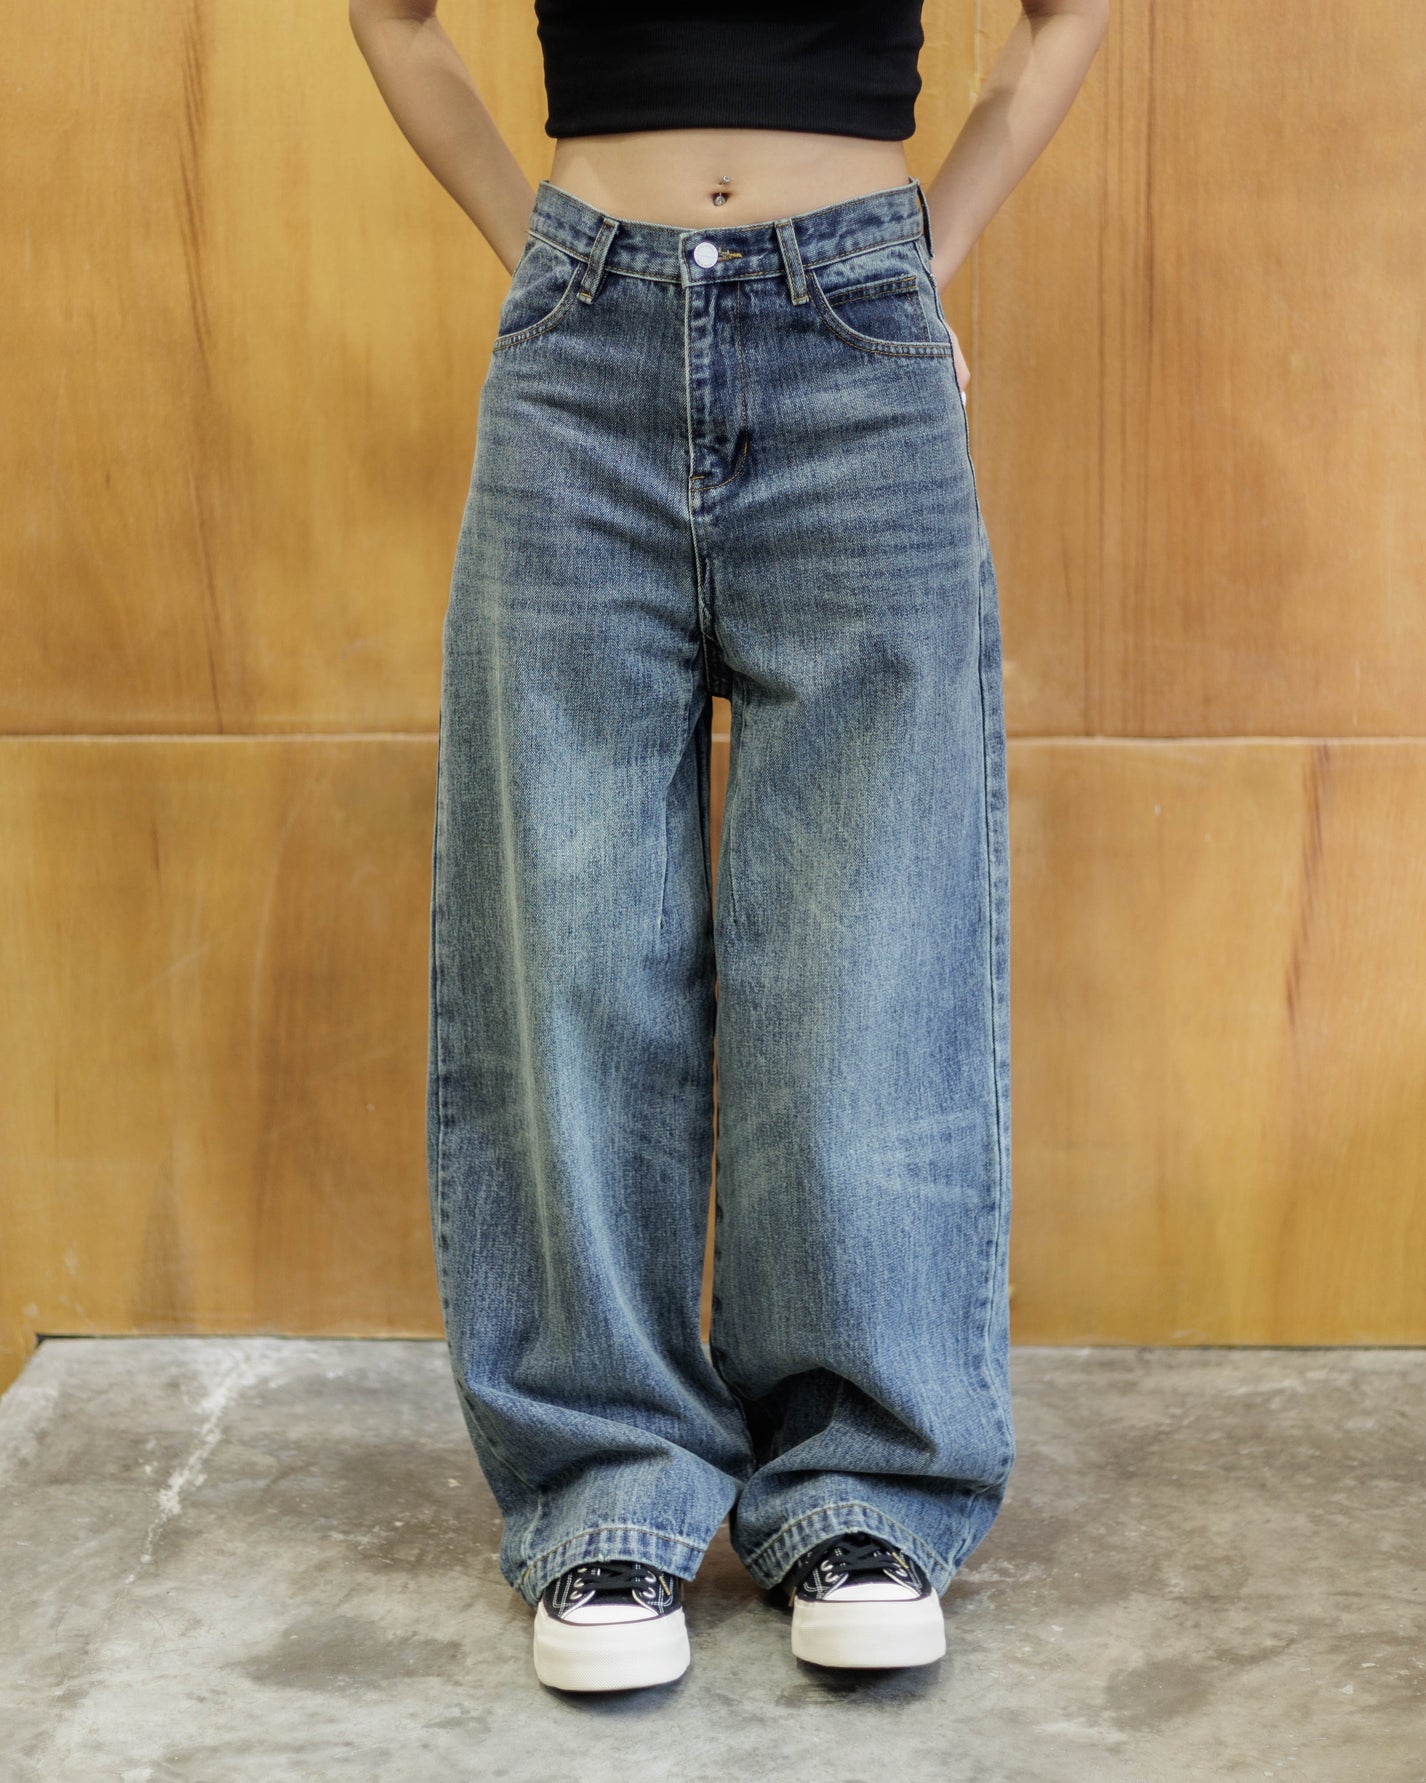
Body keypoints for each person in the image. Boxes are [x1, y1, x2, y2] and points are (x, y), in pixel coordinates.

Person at [351, 0, 1109, 1694]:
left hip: (857, 337)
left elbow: (1068, 13)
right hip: (582, 342)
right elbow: (388, 15)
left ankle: (862, 1490)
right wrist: (546, 263)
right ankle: (604, 1496)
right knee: (569, 936)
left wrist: (917, 259)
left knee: (864, 949)